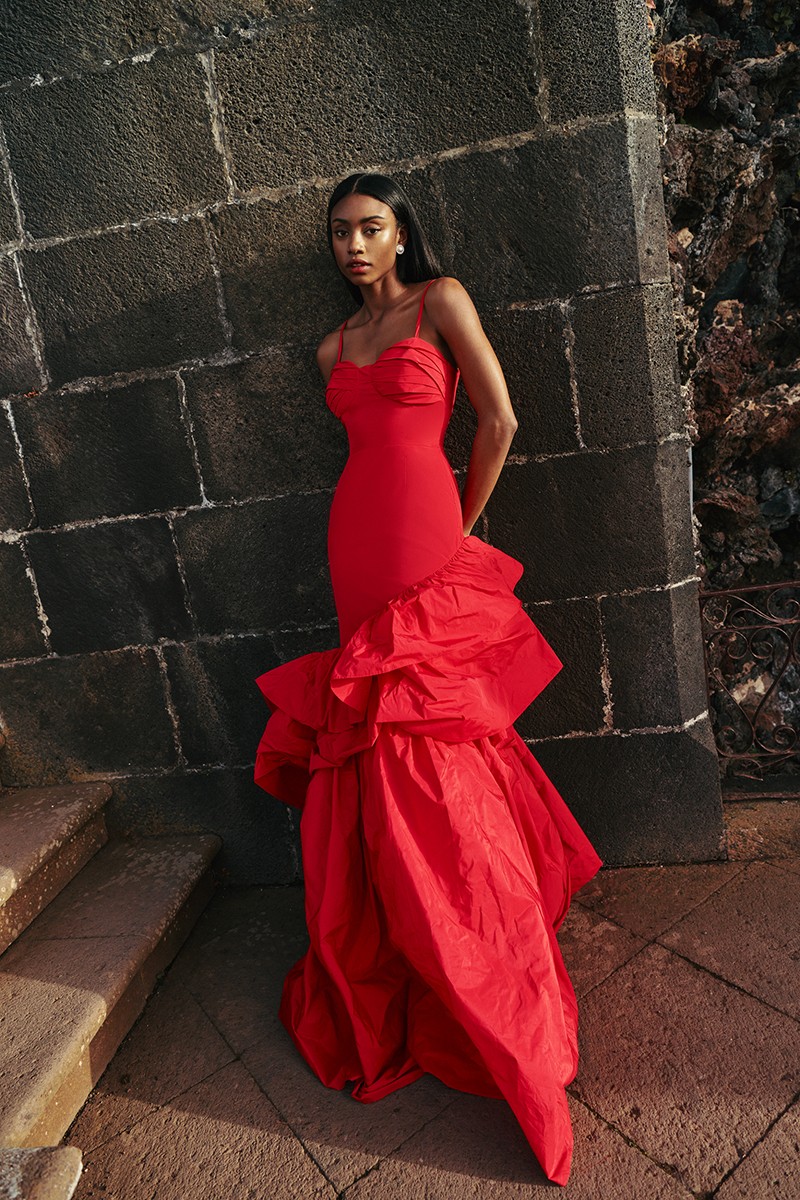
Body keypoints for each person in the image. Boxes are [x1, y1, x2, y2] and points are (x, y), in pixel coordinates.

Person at [254, 172, 602, 1187]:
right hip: (352, 543)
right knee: (368, 731)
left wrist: (459, 531)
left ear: (400, 231)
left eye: (368, 227)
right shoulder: (330, 348)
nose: (352, 246)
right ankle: (403, 936)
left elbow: (496, 421)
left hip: (423, 533)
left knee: (432, 731)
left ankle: (481, 955)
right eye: (338, 234)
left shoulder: (439, 302)